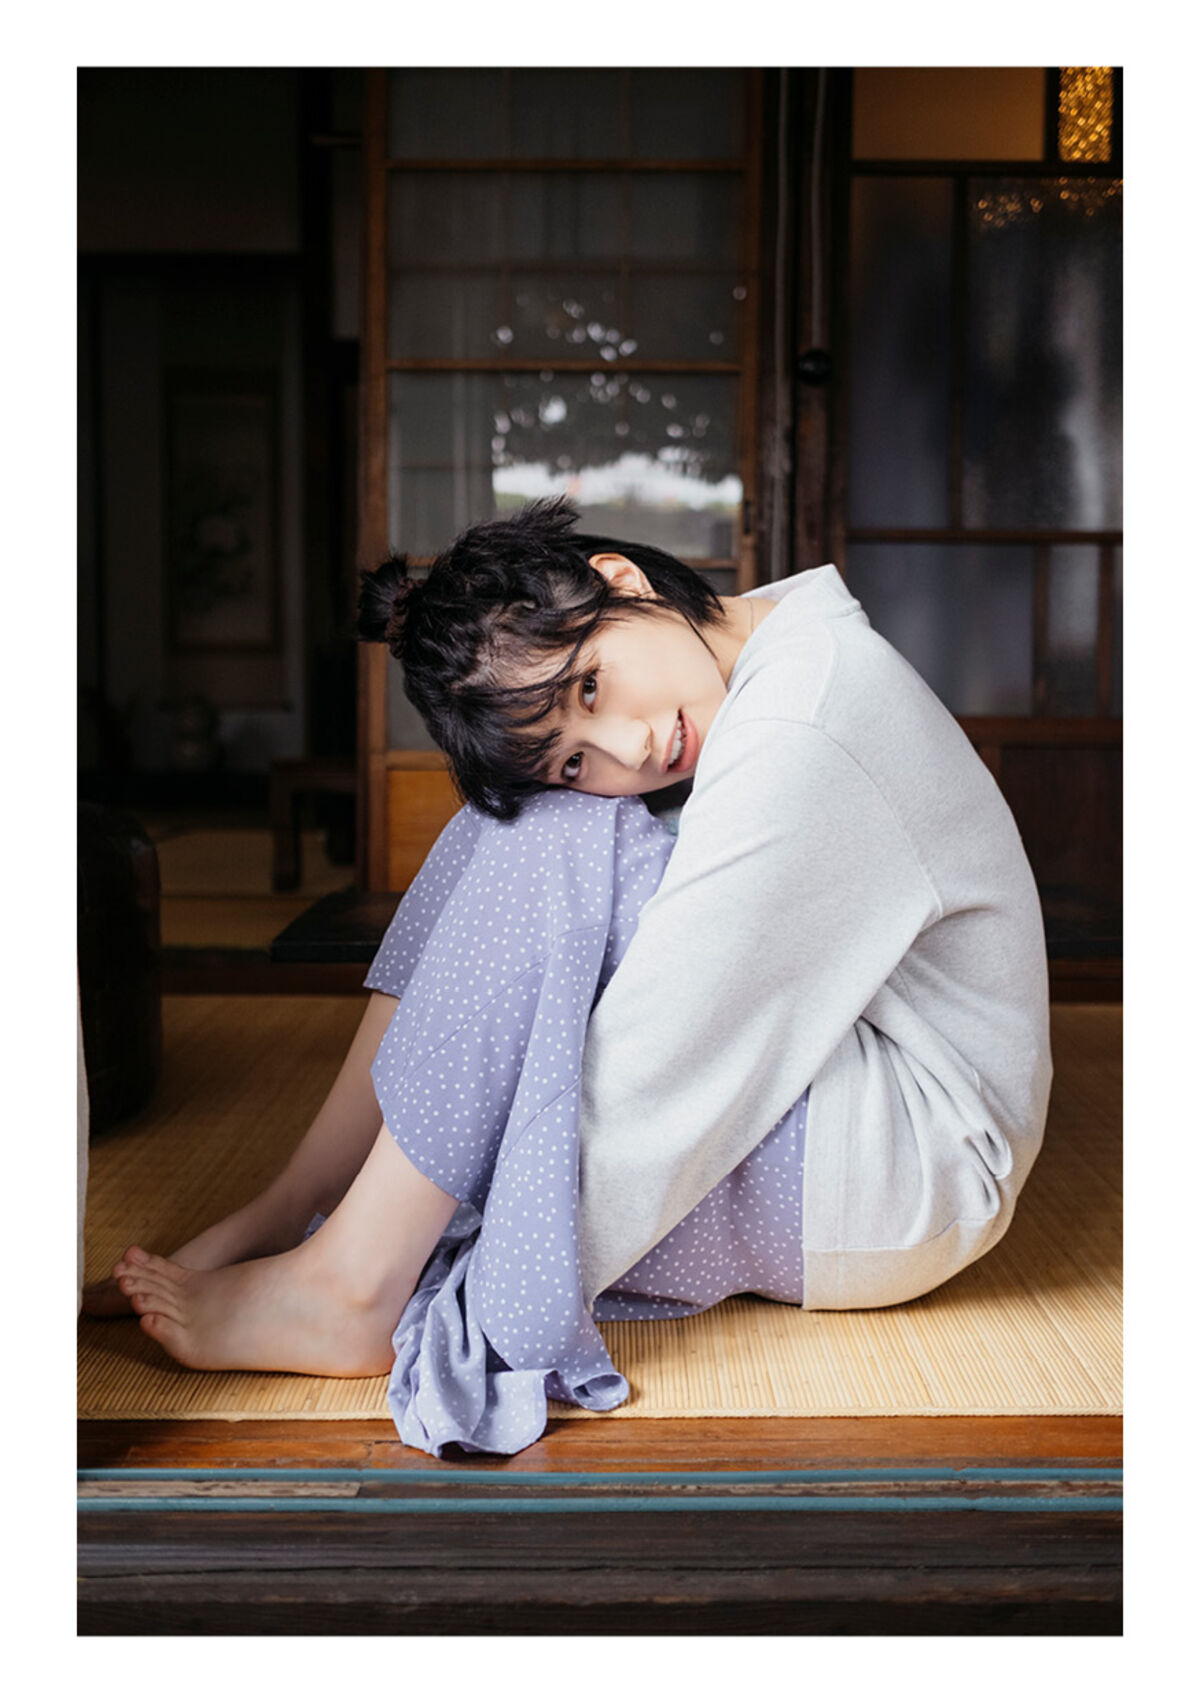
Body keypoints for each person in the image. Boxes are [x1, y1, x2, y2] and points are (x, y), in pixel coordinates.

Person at [84, 497, 1052, 1457]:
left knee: (547, 838)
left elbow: (665, 1060)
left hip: (903, 1166)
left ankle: (355, 1278)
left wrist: (495, 1279)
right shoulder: (772, 641)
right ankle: (304, 1202)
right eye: (576, 758)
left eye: (590, 686)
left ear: (619, 580)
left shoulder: (807, 718)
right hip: (838, 1084)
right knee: (508, 817)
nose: (629, 748)